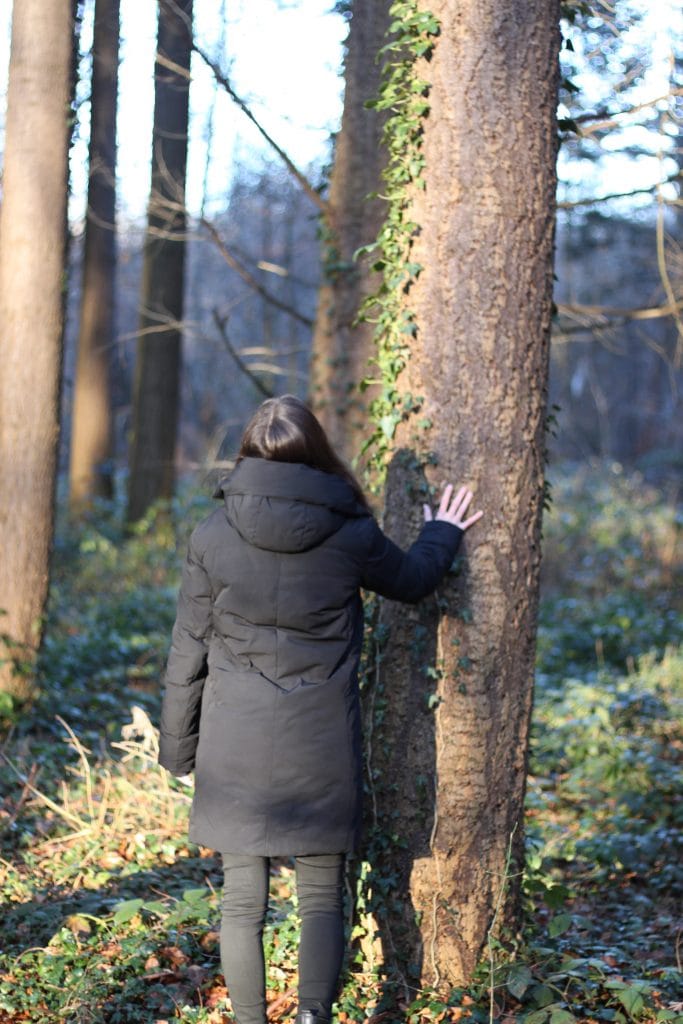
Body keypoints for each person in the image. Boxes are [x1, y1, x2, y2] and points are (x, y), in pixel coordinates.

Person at [158, 394, 483, 1024]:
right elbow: (414, 582)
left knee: (242, 901)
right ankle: (313, 1017)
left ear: (248, 454)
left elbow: (186, 652)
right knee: (320, 898)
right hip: (321, 742)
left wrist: (177, 749)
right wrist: (443, 529)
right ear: (316, 453)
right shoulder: (349, 533)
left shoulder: (211, 535)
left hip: (233, 745)